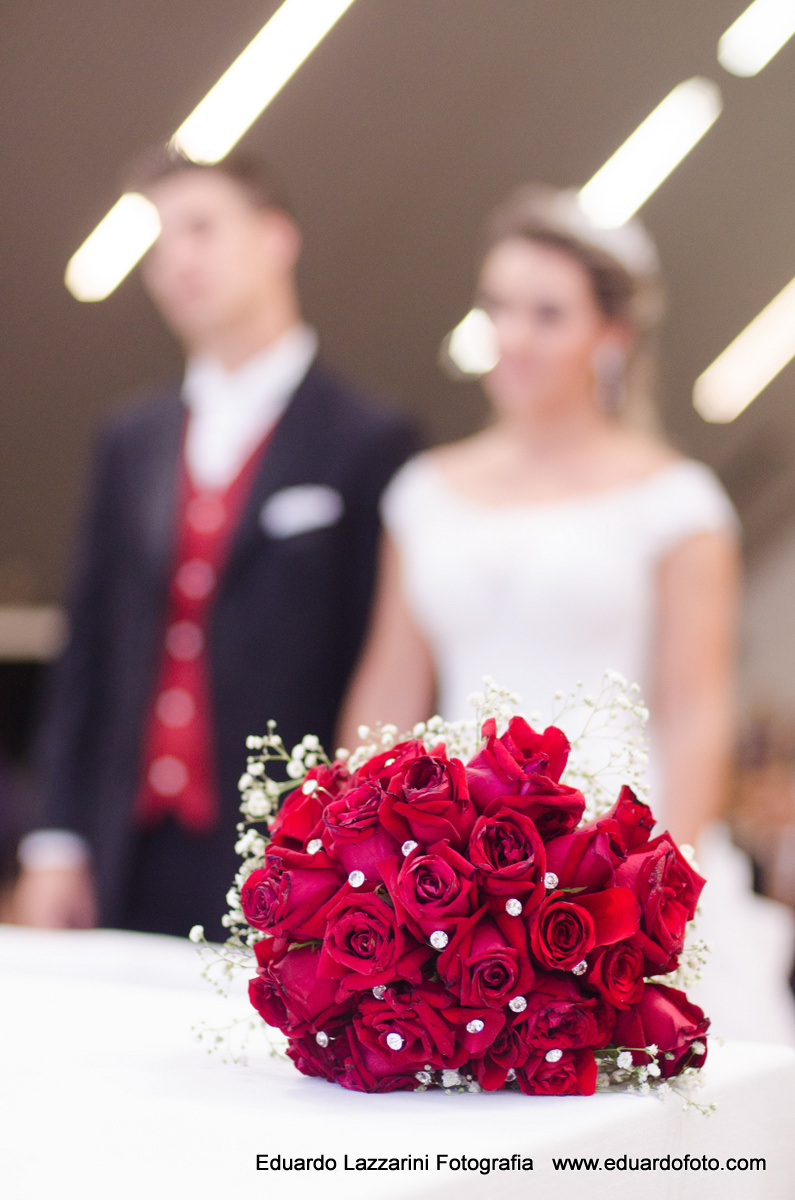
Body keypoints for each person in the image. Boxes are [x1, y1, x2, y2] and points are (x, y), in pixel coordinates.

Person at [339, 185, 795, 1043]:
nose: (511, 337)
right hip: (452, 860)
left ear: (610, 337)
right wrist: (351, 855)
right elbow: (388, 686)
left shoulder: (678, 504)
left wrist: (661, 887)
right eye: (497, 307)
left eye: (546, 314)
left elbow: (695, 709)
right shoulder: (423, 492)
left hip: (613, 850)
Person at [13, 150, 419, 940]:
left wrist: (355, 853)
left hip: (288, 852)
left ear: (275, 237)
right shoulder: (131, 437)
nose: (177, 262)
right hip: (123, 844)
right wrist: (56, 839)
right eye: (160, 244)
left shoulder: (367, 437)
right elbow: (88, 646)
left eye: (200, 229)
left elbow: (382, 667)